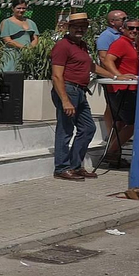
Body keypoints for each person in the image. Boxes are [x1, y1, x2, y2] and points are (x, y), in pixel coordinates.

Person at [50, 12, 98, 180]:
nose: (80, 29)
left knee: (88, 128)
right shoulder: (63, 46)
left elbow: (92, 67)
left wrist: (117, 76)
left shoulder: (82, 45)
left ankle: (75, 165)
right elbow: (56, 76)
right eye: (76, 26)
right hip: (68, 89)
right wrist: (65, 100)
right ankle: (61, 168)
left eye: (83, 27)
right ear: (69, 27)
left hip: (80, 91)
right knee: (65, 130)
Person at [97, 18, 139, 168]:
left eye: (137, 28)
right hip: (122, 89)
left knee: (122, 123)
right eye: (131, 28)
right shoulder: (121, 43)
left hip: (128, 88)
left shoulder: (131, 44)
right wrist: (118, 76)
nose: (134, 31)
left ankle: (113, 154)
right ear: (123, 28)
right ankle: (111, 151)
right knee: (134, 123)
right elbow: (107, 60)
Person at [0, 0, 38, 74]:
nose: (21, 10)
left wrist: (31, 48)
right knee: (10, 77)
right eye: (18, 8)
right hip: (12, 55)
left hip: (27, 56)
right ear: (13, 8)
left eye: (24, 8)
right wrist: (24, 48)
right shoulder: (6, 22)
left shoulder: (31, 23)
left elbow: (35, 38)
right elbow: (7, 40)